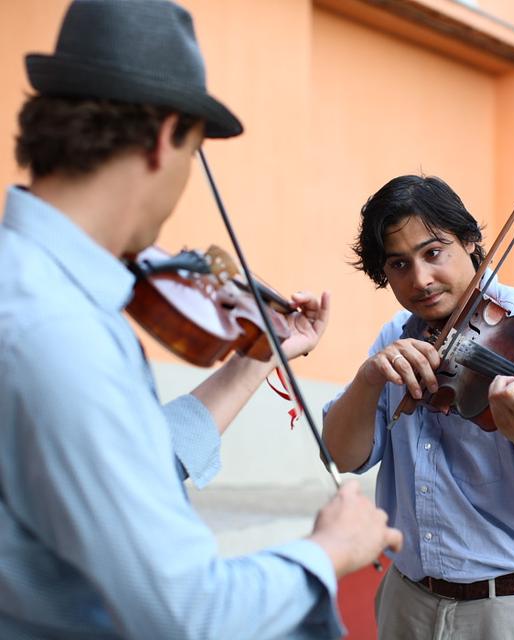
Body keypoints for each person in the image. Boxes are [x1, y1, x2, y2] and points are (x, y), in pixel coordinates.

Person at [0, 1, 402, 638]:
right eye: (195, 153)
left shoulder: (27, 284)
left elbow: (115, 461)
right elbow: (189, 614)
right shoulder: (57, 331)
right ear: (165, 137)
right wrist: (328, 551)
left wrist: (255, 357)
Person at [322, 175, 514, 640]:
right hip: (409, 602)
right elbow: (342, 455)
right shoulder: (398, 334)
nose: (421, 279)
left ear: (471, 242)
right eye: (399, 264)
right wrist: (369, 378)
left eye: (434, 252)